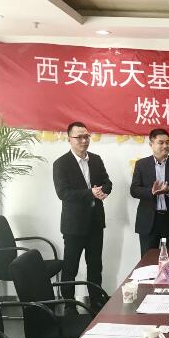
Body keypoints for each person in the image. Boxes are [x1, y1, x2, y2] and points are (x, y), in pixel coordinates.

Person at [53, 122, 112, 312]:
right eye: (79, 137)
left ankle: (96, 300)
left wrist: (104, 190)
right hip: (74, 225)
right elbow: (63, 193)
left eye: (86, 136)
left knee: (95, 265)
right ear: (69, 139)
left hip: (95, 222)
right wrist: (90, 193)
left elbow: (107, 182)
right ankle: (69, 304)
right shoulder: (61, 163)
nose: (84, 140)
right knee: (70, 266)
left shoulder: (96, 159)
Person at [130, 128, 169, 256]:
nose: (165, 146)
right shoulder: (141, 164)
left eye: (167, 142)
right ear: (151, 144)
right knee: (147, 260)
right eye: (161, 142)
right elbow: (134, 190)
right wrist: (151, 192)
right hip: (149, 220)